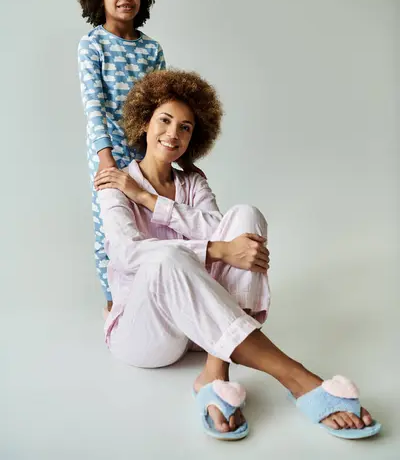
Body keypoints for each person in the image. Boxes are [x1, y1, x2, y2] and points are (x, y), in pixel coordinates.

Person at [94, 69, 380, 441]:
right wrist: (217, 251)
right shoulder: (115, 183)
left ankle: (215, 373)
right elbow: (130, 254)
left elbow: (222, 227)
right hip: (145, 336)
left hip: (197, 330)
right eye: (164, 120)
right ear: (144, 123)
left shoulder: (192, 182)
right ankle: (298, 378)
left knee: (246, 215)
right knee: (164, 258)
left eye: (186, 128)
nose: (173, 134)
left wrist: (151, 200)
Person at [75, 0, 166, 310]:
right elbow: (93, 105)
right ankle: (114, 302)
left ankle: (149, 299)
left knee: (147, 221)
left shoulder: (152, 49)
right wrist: (105, 158)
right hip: (108, 151)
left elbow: (164, 105)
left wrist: (169, 156)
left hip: (148, 154)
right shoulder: (92, 45)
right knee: (110, 224)